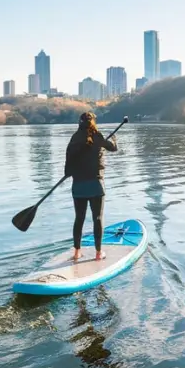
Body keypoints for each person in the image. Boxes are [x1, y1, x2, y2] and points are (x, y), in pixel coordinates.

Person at [64, 111, 118, 261]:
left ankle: (76, 253)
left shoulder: (74, 139)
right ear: (93, 122)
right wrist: (114, 139)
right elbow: (113, 148)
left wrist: (69, 172)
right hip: (95, 184)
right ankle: (99, 253)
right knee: (97, 219)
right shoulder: (98, 136)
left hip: (78, 186)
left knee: (79, 218)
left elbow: (68, 168)